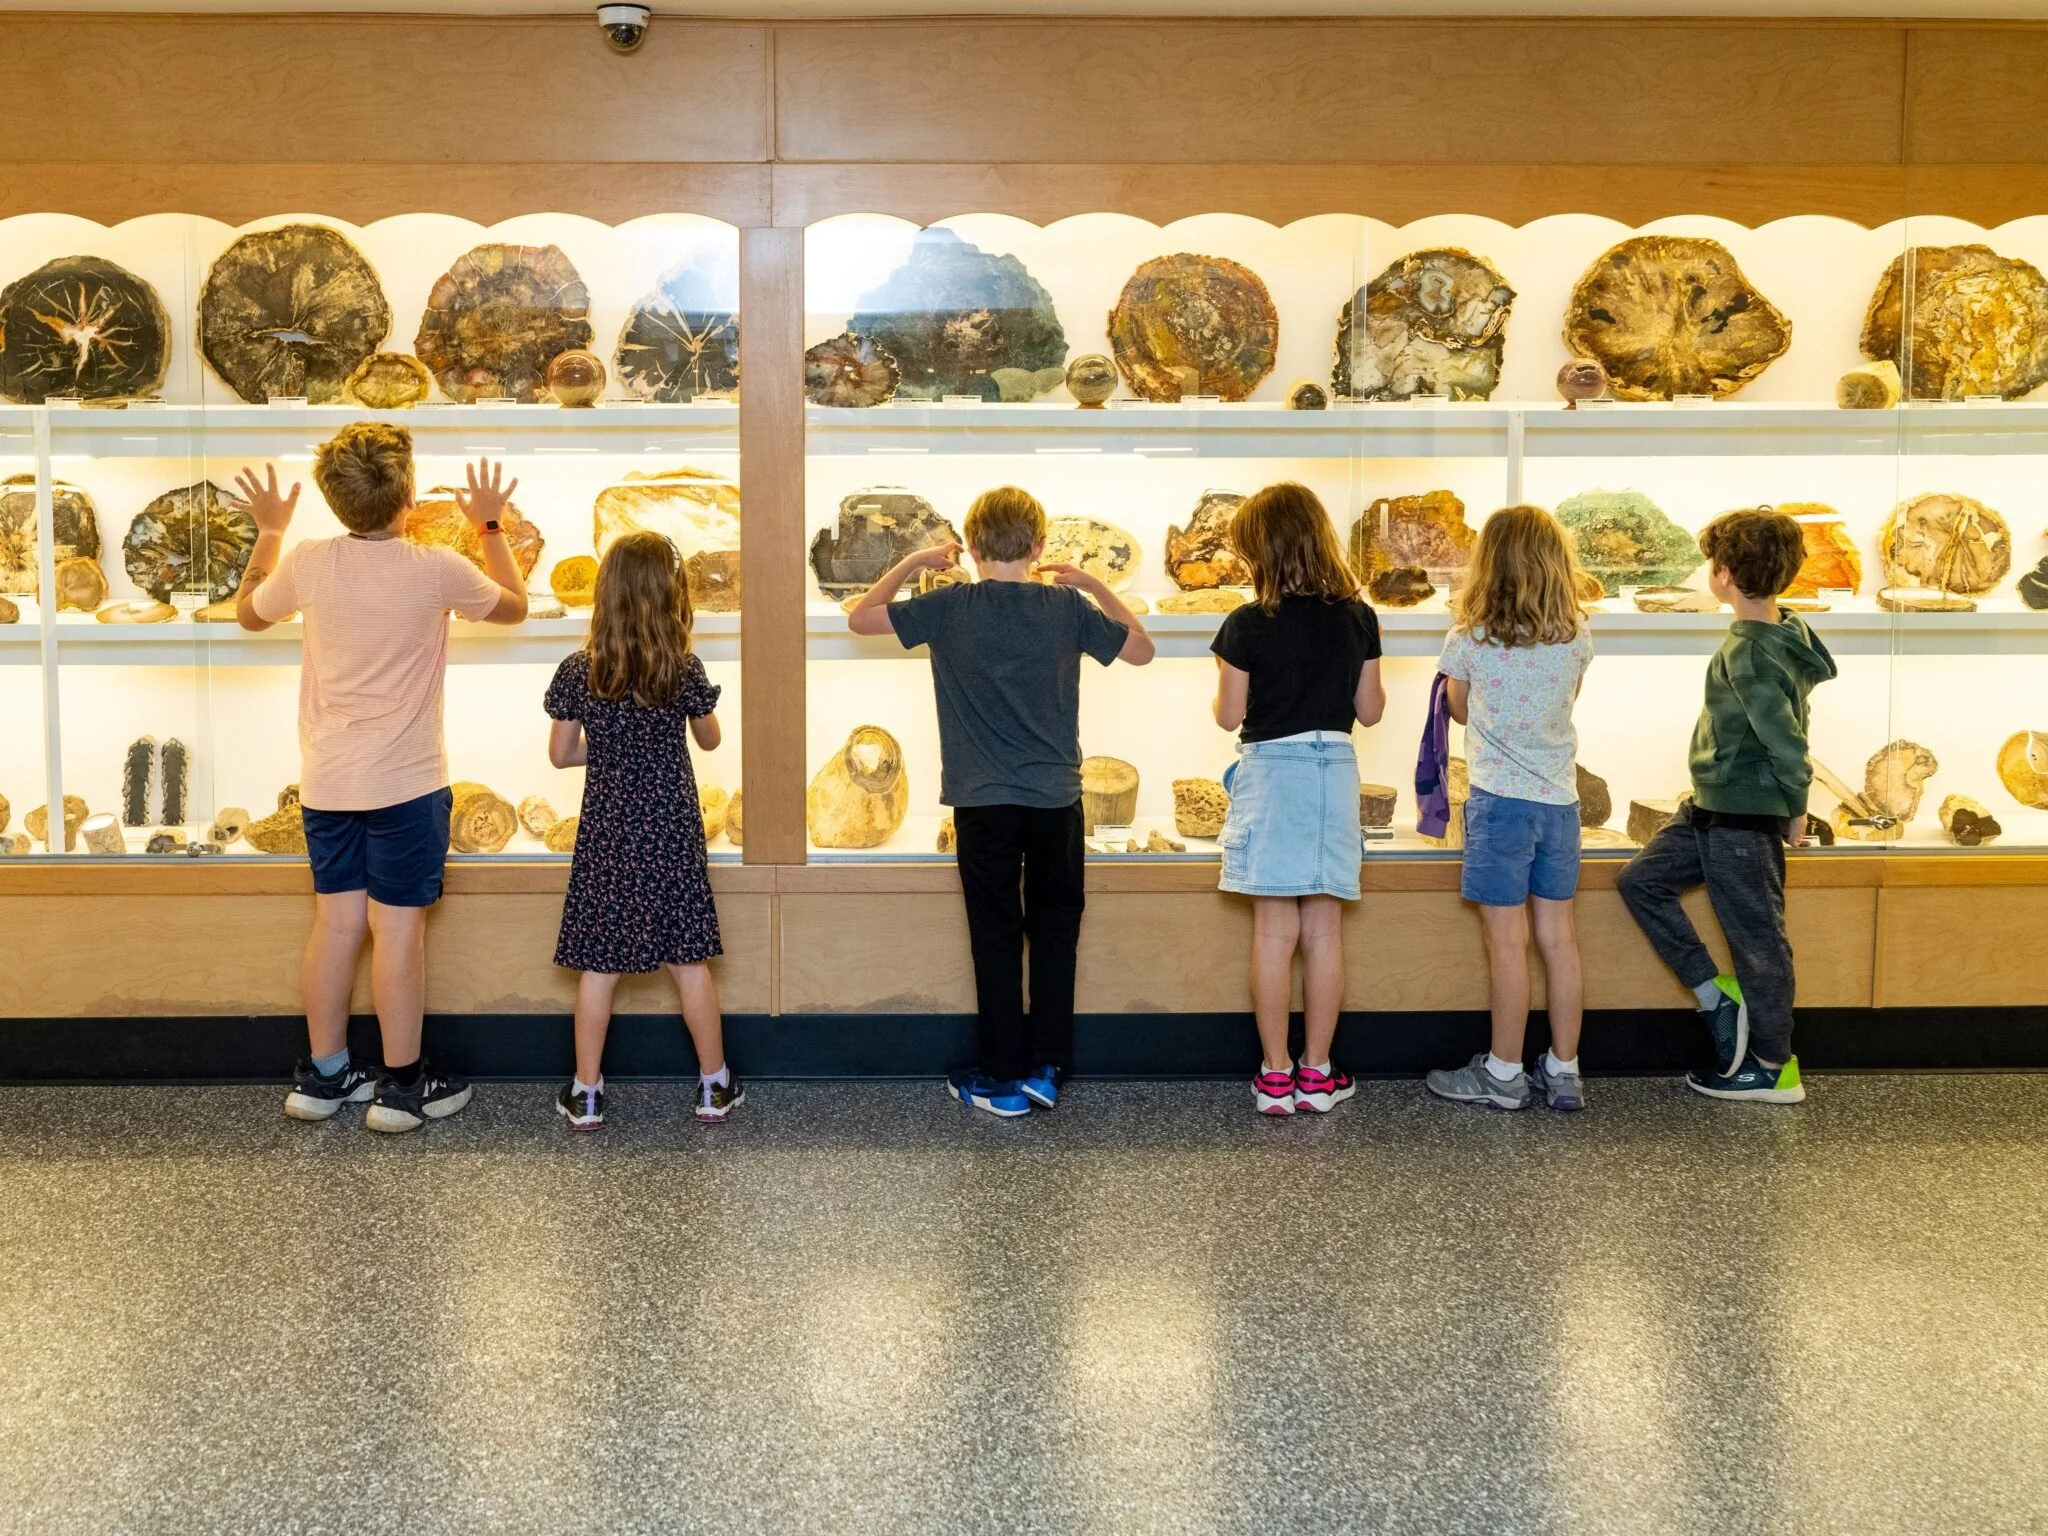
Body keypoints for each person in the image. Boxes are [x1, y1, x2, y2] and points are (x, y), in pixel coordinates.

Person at [233, 423, 528, 1132]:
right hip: (409, 780)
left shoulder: (306, 560)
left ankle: (325, 1078)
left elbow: (248, 614)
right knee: (396, 931)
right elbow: (514, 607)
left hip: (329, 780)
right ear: (410, 496)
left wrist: (269, 531)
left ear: (334, 499)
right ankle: (402, 1088)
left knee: (336, 926)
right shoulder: (435, 566)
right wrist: (488, 524)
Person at [848, 486, 1154, 1117]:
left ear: (972, 543)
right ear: (1040, 546)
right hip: (1055, 799)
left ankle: (999, 1076)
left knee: (994, 936)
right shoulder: (1066, 606)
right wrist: (1095, 584)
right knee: (1055, 933)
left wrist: (913, 563)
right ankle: (1047, 1068)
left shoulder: (949, 606)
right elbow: (1141, 649)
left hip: (981, 800)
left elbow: (861, 616)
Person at [1616, 507, 1836, 1104]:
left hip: (1744, 815)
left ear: (1724, 572)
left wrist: (1796, 806)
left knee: (1758, 940)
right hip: (1709, 808)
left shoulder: (1749, 650)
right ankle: (1716, 994)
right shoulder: (1784, 632)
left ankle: (1772, 1064)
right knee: (1642, 881)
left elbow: (1785, 736)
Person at [545, 532, 736, 1129]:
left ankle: (587, 1092)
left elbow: (561, 754)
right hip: (673, 827)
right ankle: (713, 1085)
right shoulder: (681, 666)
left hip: (608, 830)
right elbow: (710, 739)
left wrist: (608, 751)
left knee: (599, 968)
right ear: (671, 593)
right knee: (689, 962)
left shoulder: (582, 668)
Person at [1210, 482, 1384, 1116]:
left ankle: (1275, 1076)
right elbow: (1370, 710)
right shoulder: (1359, 616)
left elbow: (1229, 717)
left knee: (1273, 932)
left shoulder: (1246, 622)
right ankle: (1319, 1074)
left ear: (1260, 551)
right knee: (1326, 932)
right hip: (1334, 768)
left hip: (1272, 771)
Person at [1421, 505, 1594, 1114]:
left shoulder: (1468, 637)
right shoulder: (1577, 632)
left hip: (1500, 803)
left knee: (1505, 942)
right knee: (1559, 938)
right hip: (1561, 802)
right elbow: (1567, 701)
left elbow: (1461, 709)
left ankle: (1503, 1073)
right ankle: (1565, 1069)